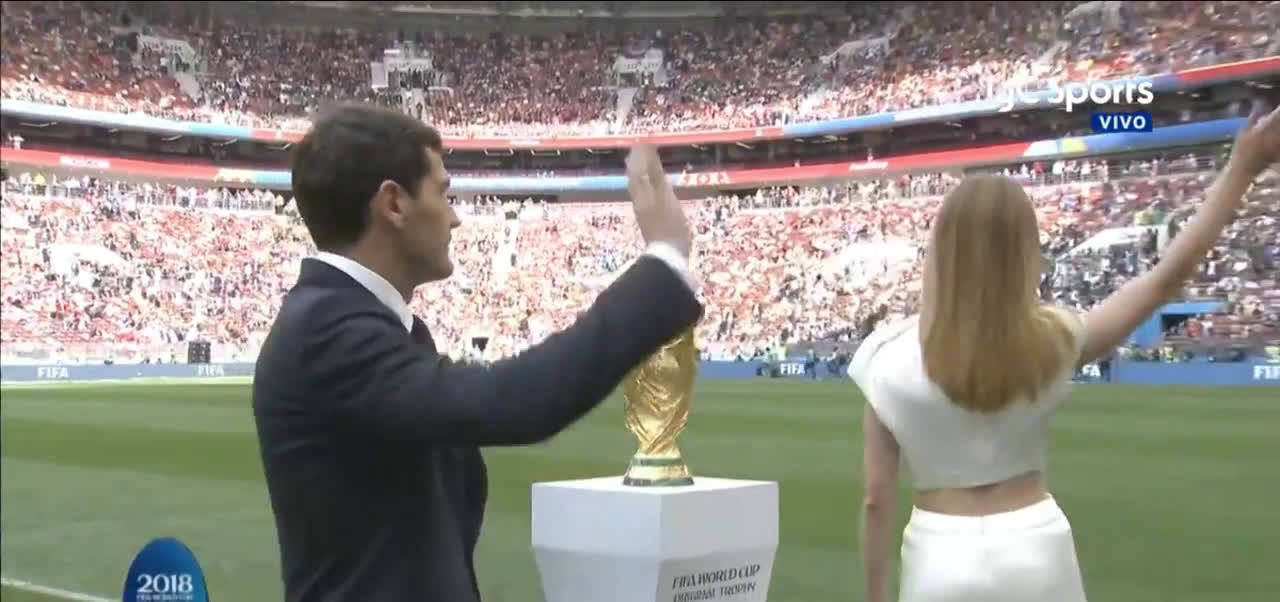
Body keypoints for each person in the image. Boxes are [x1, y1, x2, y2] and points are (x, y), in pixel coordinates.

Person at [251, 103, 703, 602]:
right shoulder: (327, 332)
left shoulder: (366, 324)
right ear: (394, 204)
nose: (456, 218)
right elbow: (517, 402)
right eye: (443, 193)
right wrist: (664, 263)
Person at [850, 105, 1279, 602]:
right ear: (1024, 253)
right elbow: (1165, 280)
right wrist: (1240, 169)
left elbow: (877, 500)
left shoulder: (885, 354)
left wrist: (875, 595)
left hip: (938, 551)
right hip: (1036, 543)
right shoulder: (1053, 339)